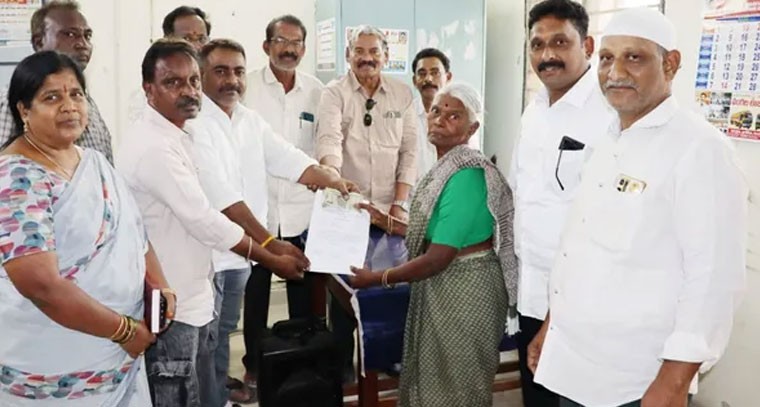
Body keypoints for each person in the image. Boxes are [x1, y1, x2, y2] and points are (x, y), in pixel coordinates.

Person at [529, 8, 748, 407]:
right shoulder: (608, 139)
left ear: (671, 64)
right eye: (607, 58)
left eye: (634, 57)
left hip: (636, 380)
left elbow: (714, 279)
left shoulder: (699, 149)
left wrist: (674, 382)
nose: (615, 72)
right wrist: (551, 326)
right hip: (574, 365)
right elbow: (579, 249)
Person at [116, 39, 308, 407]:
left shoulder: (180, 133)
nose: (188, 91)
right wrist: (270, 254)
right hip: (171, 303)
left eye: (192, 81)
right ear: (149, 89)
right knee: (178, 395)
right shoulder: (154, 146)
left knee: (204, 388)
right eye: (173, 83)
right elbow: (204, 219)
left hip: (192, 293)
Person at [0, 51, 175, 406]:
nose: (69, 106)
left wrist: (160, 285)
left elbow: (135, 233)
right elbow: (41, 285)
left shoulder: (93, 161)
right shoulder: (16, 177)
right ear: (24, 110)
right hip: (54, 364)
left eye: (76, 94)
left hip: (118, 358)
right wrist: (123, 330)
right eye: (52, 97)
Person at [189, 38, 354, 406]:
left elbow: (287, 157)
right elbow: (224, 198)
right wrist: (268, 244)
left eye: (237, 71)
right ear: (201, 75)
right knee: (206, 344)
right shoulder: (195, 124)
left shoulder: (248, 120)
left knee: (221, 335)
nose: (231, 80)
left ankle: (217, 398)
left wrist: (331, 179)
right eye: (220, 71)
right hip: (210, 256)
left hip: (239, 258)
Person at [349, 82, 518, 407]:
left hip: (466, 290)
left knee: (458, 388)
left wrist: (378, 279)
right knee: (436, 379)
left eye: (454, 116)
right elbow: (436, 231)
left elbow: (438, 256)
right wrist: (384, 221)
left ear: (472, 128)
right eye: (436, 111)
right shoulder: (446, 166)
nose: (440, 119)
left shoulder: (467, 174)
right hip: (447, 285)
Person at [508, 1, 616, 405]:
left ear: (587, 45)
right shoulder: (534, 110)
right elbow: (521, 194)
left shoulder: (608, 113)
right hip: (531, 291)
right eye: (537, 45)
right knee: (536, 395)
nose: (546, 55)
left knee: (573, 397)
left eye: (559, 42)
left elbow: (606, 219)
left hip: (581, 299)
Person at [317, 24, 417, 380]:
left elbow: (410, 152)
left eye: (374, 51)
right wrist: (333, 178)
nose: (367, 58)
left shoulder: (402, 94)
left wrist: (400, 203)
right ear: (348, 55)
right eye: (359, 51)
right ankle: (344, 364)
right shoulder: (334, 93)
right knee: (346, 288)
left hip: (390, 210)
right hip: (349, 207)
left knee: (391, 283)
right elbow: (329, 140)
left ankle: (389, 355)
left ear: (386, 57)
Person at [238, 14, 325, 402]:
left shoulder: (317, 92)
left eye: (296, 43)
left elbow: (322, 145)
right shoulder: (247, 87)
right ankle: (255, 368)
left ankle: (300, 368)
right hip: (259, 211)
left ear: (304, 48)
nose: (289, 49)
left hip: (302, 210)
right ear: (266, 46)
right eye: (281, 41)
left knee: (302, 295)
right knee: (255, 294)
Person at [0, 0, 113, 163]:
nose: (82, 44)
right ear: (39, 42)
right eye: (70, 34)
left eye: (87, 36)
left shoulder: (85, 100)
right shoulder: (13, 99)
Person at [411, 48, 452, 179]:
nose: (428, 79)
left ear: (448, 77)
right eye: (422, 74)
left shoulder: (460, 117)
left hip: (450, 189)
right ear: (414, 80)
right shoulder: (405, 115)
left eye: (435, 73)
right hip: (414, 191)